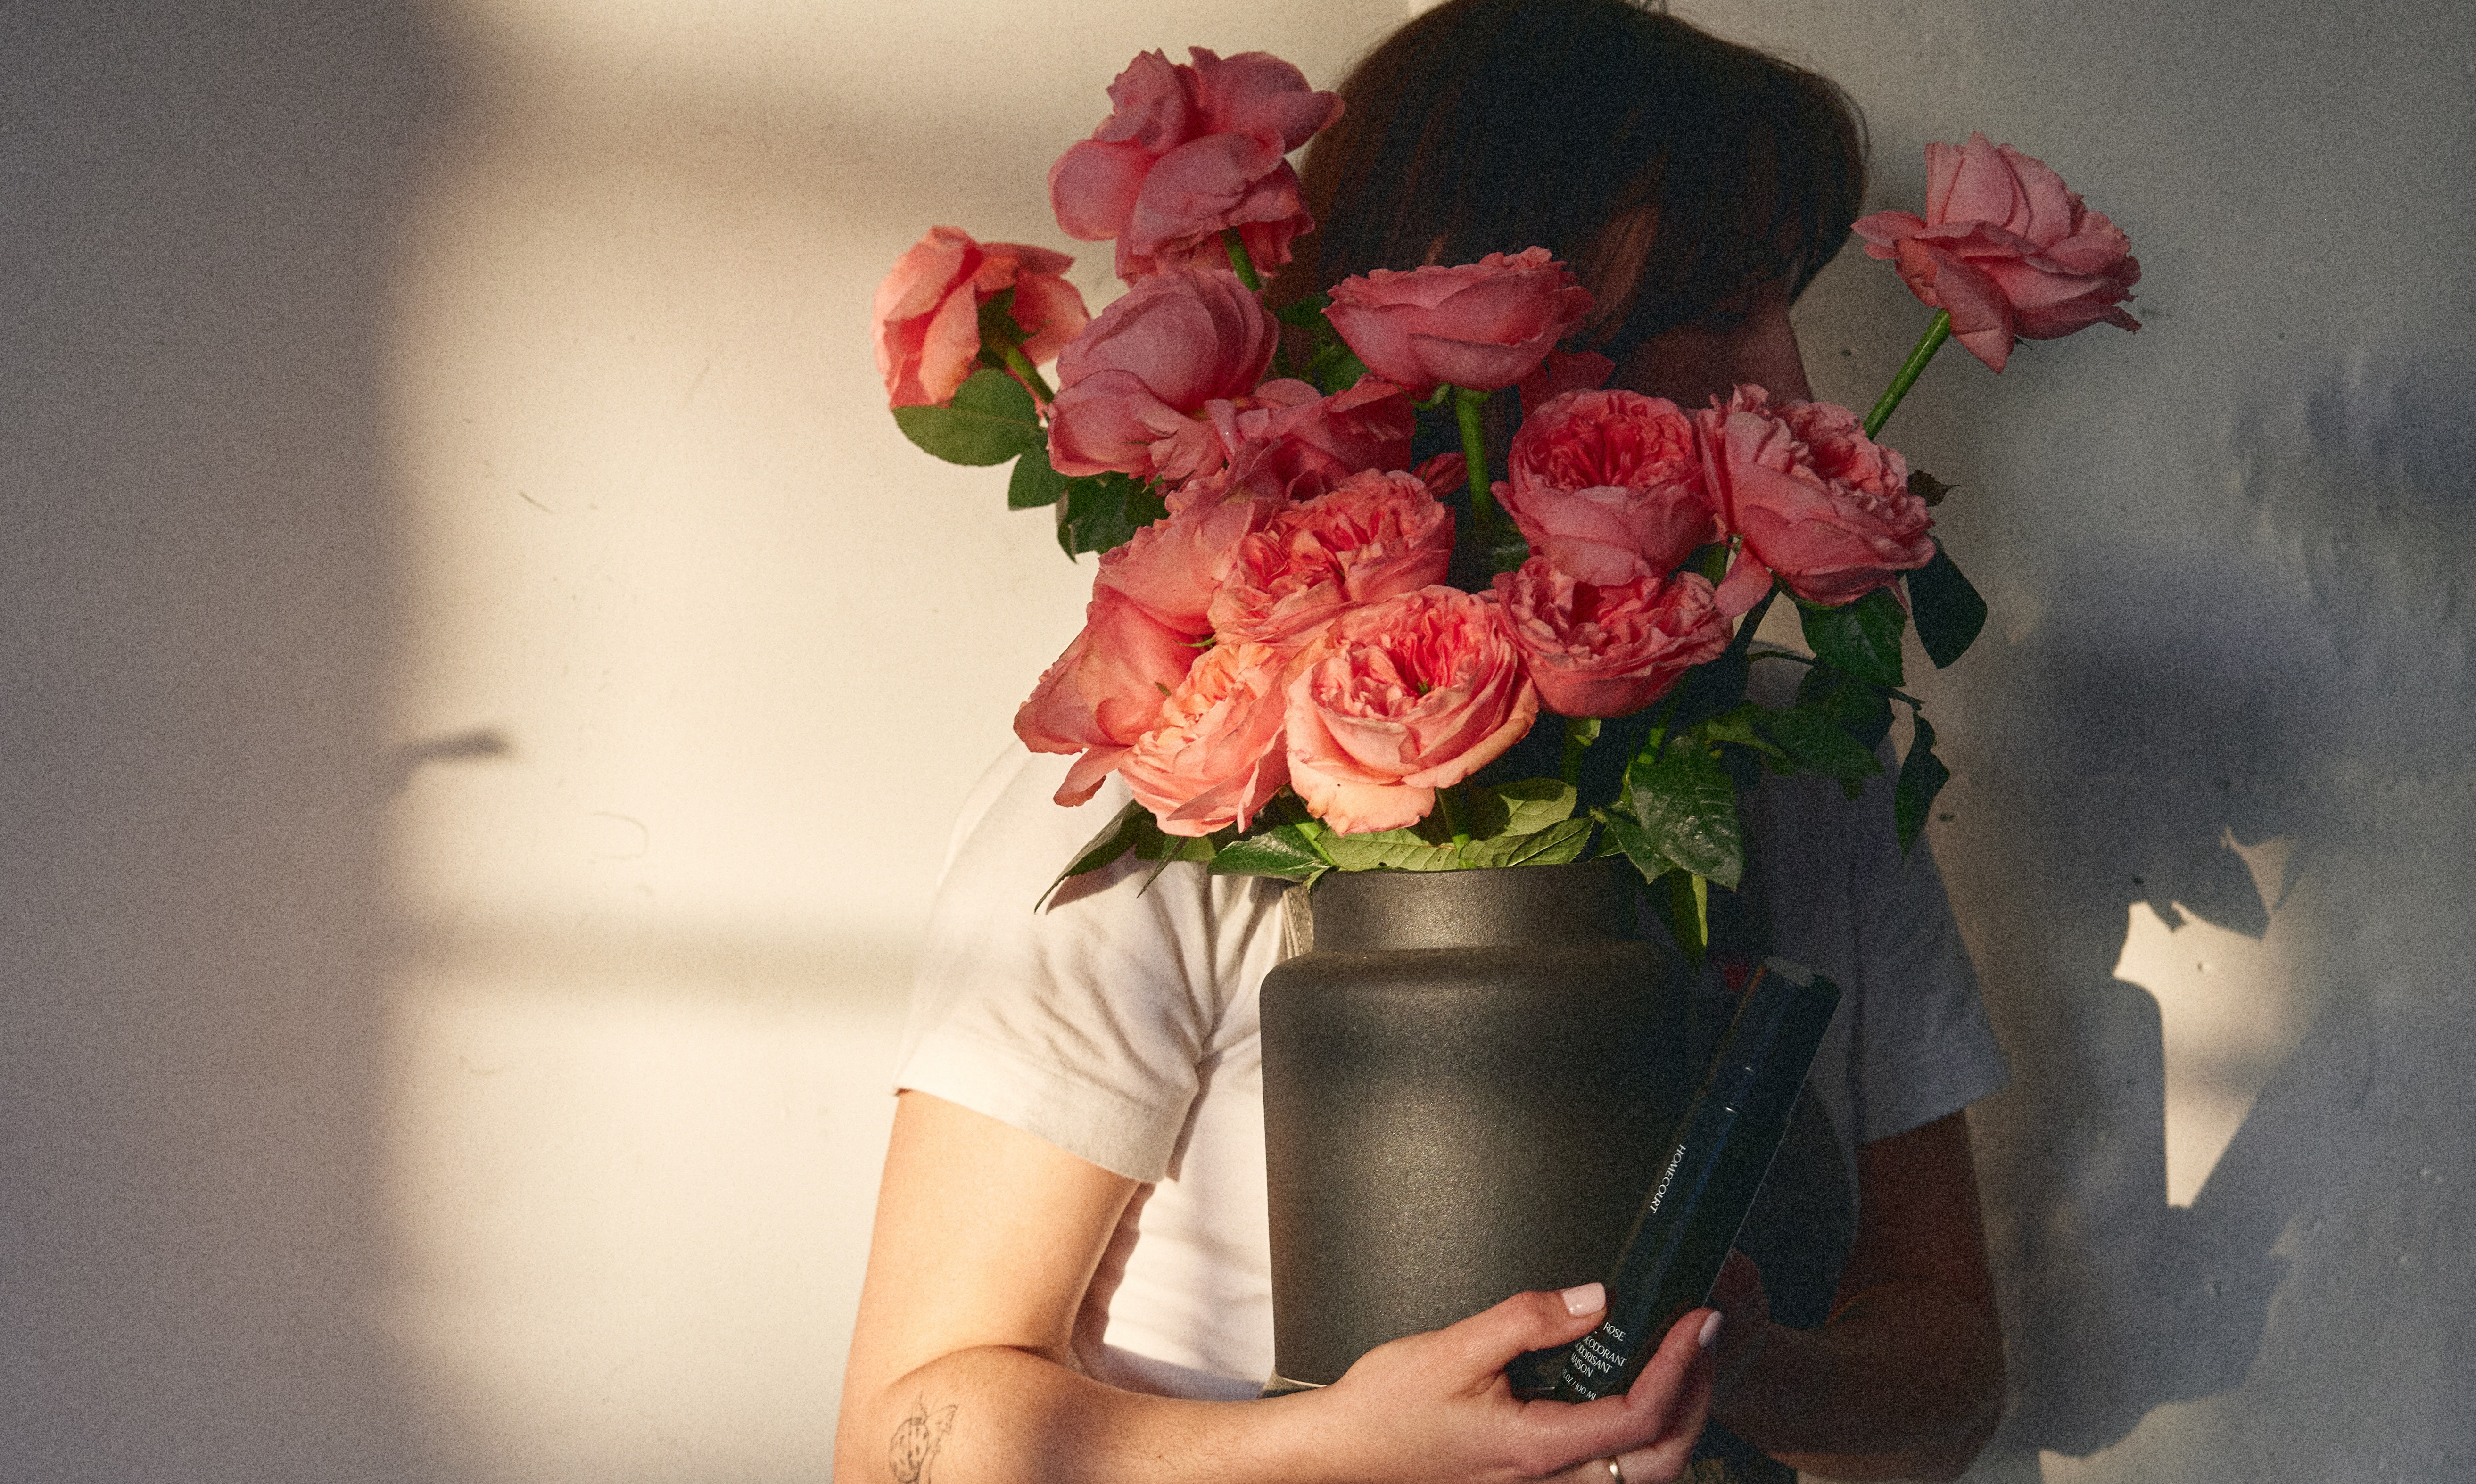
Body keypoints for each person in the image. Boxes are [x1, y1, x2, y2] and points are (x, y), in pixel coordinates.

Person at [836, 3, 2010, 1480]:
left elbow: (1954, 1373)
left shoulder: (1805, 762)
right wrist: (1338, 1447)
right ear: (1496, 329)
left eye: (1785, 302)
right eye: (1713, 309)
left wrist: (1756, 1376)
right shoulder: (1174, 765)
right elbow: (903, 1440)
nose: (1784, 380)